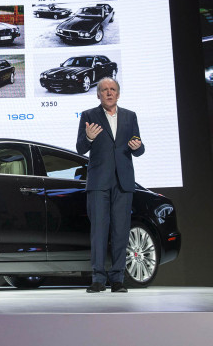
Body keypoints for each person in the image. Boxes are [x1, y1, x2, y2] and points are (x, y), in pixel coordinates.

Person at [76, 77, 144, 293]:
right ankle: (97, 278)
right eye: (104, 89)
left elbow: (139, 149)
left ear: (118, 94)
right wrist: (88, 137)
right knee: (98, 231)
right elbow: (80, 148)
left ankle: (117, 279)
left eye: (112, 89)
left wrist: (137, 147)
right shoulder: (89, 116)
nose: (108, 92)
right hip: (98, 182)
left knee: (121, 232)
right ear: (98, 94)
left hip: (123, 181)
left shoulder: (130, 116)